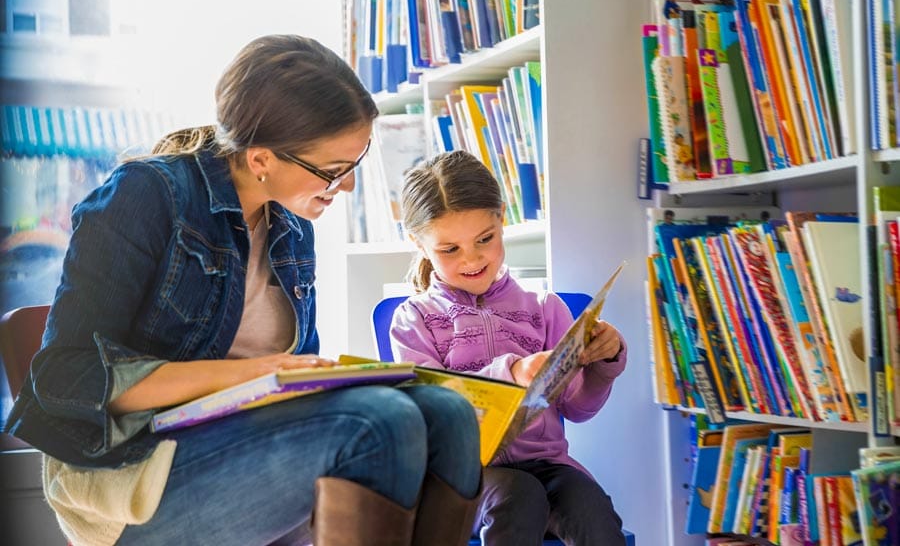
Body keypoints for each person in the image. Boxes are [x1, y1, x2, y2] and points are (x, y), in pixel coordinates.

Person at [5, 35, 482, 546]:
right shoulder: (145, 194)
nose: (345, 187)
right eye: (333, 170)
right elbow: (64, 375)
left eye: (355, 163)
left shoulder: (293, 226)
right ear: (261, 160)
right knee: (378, 424)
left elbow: (290, 376)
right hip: (130, 470)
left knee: (450, 415)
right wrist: (251, 374)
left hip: (242, 441)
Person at [391, 150, 627, 546]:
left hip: (547, 466)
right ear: (418, 243)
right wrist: (511, 374)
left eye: (485, 238)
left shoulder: (544, 309)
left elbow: (578, 408)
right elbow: (430, 416)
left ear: (501, 218)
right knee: (519, 495)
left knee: (591, 505)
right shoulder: (413, 319)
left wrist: (602, 364)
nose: (472, 259)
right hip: (460, 478)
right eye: (450, 249)